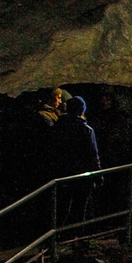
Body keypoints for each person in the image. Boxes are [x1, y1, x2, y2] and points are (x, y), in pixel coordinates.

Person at [50, 95, 101, 225]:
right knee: (80, 206)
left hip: (62, 171)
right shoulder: (85, 130)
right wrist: (98, 174)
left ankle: (58, 232)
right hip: (81, 173)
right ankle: (75, 235)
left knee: (61, 205)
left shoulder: (58, 126)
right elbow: (92, 154)